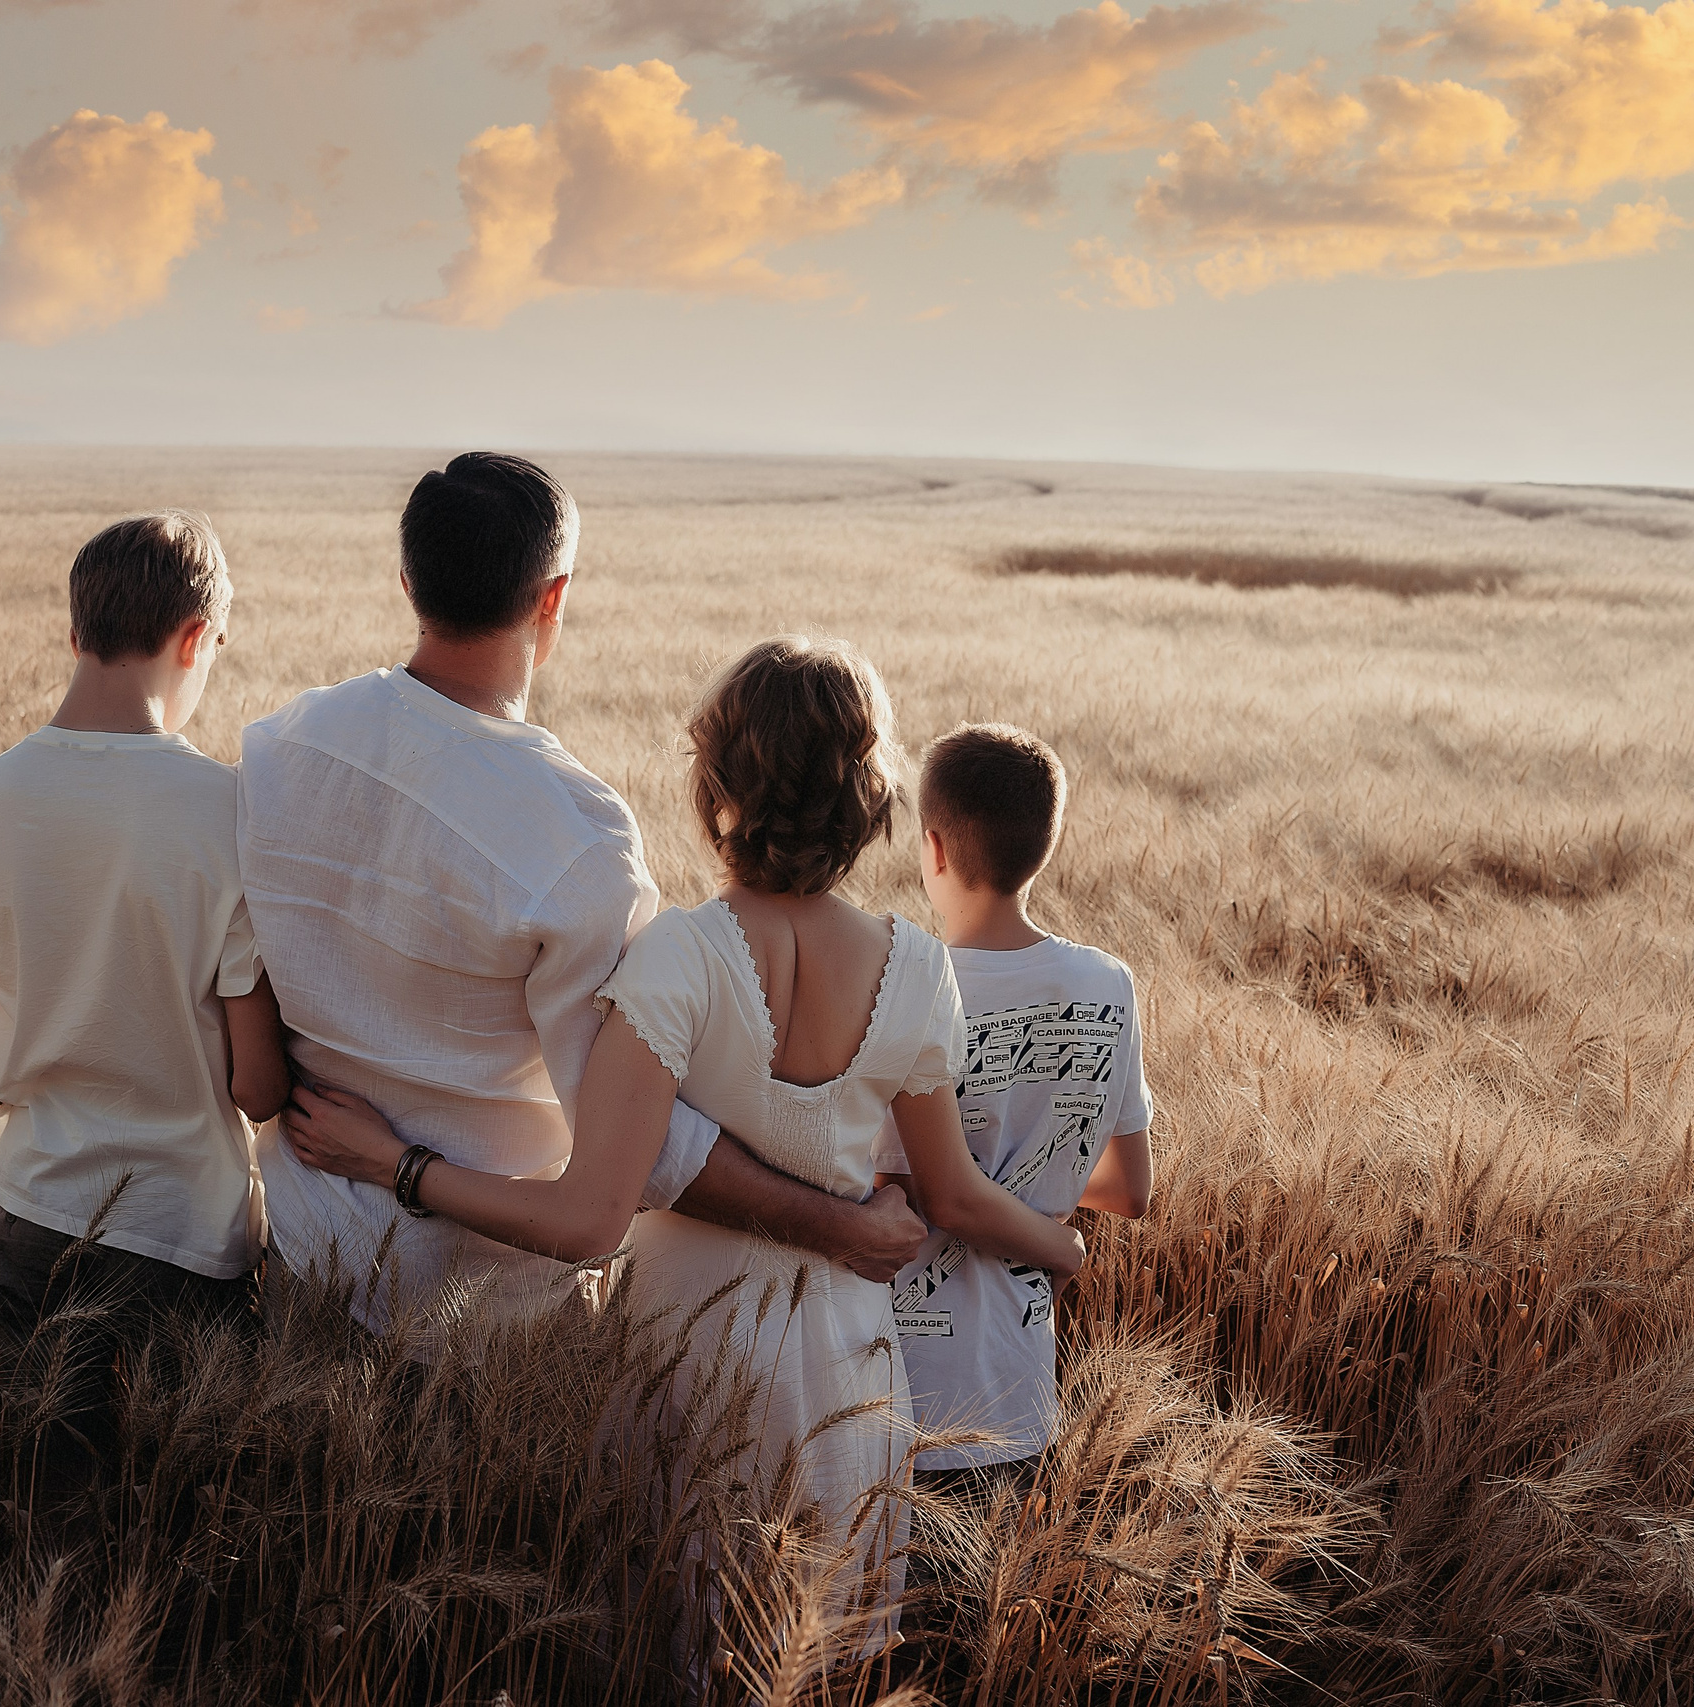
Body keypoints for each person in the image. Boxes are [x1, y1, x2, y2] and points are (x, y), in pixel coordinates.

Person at [281, 636, 1089, 1634]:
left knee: (669, 1632)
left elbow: (587, 1220)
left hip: (686, 1349)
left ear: (717, 782)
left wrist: (395, 1165)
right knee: (815, 1645)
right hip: (846, 1356)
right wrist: (1060, 1246)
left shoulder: (676, 957)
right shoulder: (921, 970)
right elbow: (949, 1193)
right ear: (868, 796)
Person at [239, 455, 926, 1332]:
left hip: (300, 1248)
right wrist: (845, 1225)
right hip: (485, 1313)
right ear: (553, 595)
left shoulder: (278, 746)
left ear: (409, 580)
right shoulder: (576, 832)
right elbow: (640, 1140)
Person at [0, 512, 290, 1362]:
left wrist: (50, 1058)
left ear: (77, 632)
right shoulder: (231, 813)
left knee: (37, 1490)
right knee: (169, 1496)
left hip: (26, 1222)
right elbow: (257, 1086)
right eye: (219, 645)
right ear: (195, 638)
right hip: (181, 1239)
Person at [877, 724, 1154, 1509]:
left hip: (903, 1384)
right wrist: (1036, 1189)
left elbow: (919, 1185)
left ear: (932, 847)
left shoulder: (908, 980)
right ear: (1046, 843)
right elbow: (1130, 1188)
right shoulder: (1108, 982)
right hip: (1021, 1386)